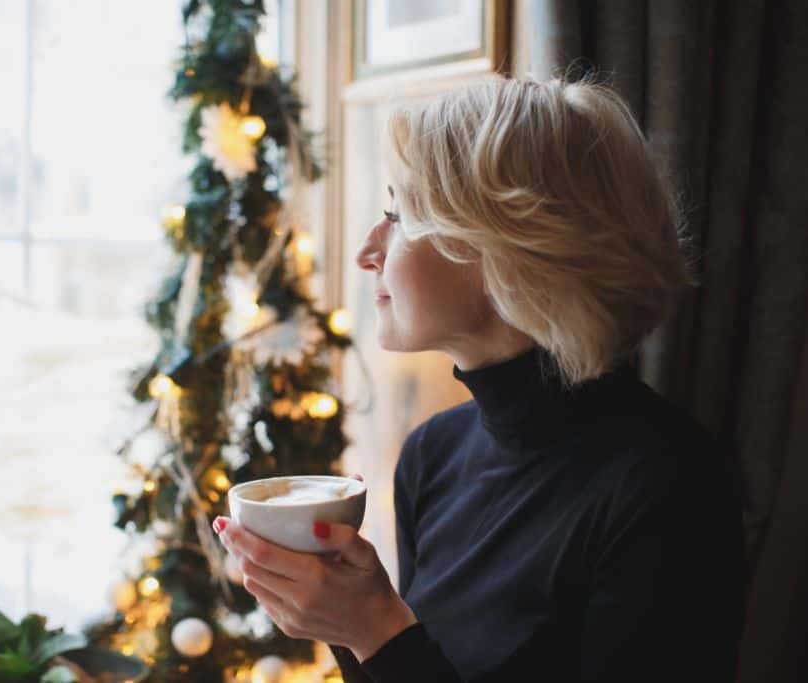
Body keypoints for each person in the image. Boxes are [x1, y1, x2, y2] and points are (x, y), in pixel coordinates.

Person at [213, 73, 746, 682]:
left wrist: (376, 630)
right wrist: (344, 624)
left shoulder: (668, 488)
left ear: (512, 248)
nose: (368, 249)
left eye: (402, 212)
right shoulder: (433, 456)